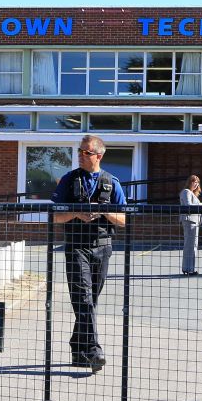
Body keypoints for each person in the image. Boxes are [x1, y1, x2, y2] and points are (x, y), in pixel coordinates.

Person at [51, 134, 126, 373]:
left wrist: (103, 212)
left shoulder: (112, 182)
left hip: (103, 247)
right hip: (76, 246)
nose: (81, 156)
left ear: (99, 156)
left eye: (87, 152)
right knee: (83, 298)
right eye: (80, 152)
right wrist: (77, 213)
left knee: (90, 300)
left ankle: (78, 347)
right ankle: (94, 350)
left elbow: (124, 220)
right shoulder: (68, 180)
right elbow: (55, 215)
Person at [179, 175, 202, 275]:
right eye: (194, 182)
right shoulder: (186, 192)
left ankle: (191, 268)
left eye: (197, 182)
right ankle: (187, 268)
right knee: (189, 245)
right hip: (189, 220)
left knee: (193, 245)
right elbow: (188, 205)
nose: (196, 184)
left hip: (194, 221)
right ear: (189, 182)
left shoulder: (193, 193)